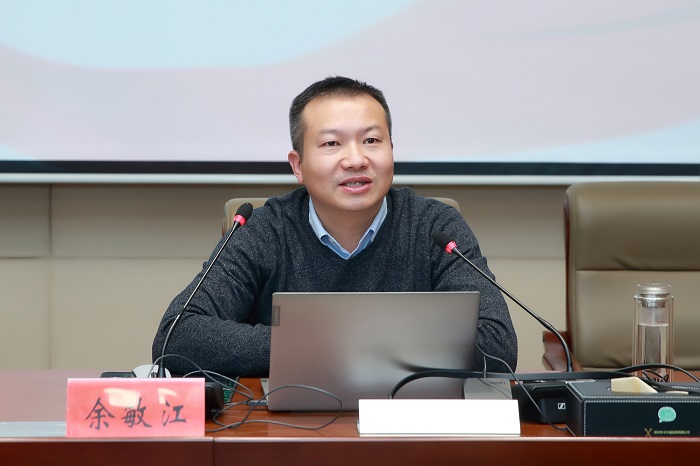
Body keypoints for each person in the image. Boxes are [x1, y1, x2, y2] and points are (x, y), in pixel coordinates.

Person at [152, 76, 517, 377]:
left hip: (408, 427)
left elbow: (497, 345)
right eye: (331, 143)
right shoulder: (264, 230)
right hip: (286, 428)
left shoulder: (434, 227)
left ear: (392, 150)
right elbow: (176, 336)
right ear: (298, 165)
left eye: (372, 140)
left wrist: (323, 346)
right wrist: (339, 344)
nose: (356, 159)